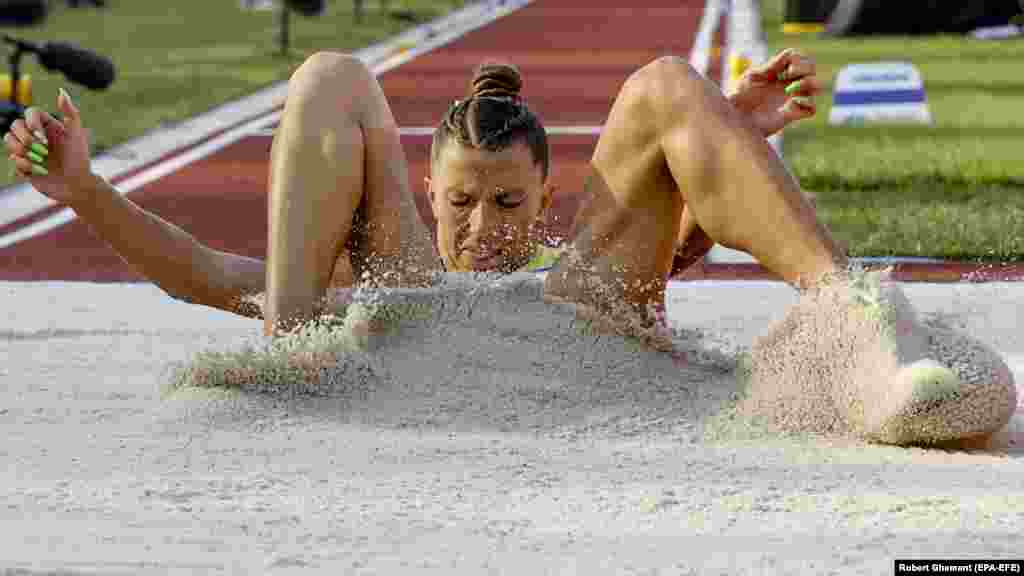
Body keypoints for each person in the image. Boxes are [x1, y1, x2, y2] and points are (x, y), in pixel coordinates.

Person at [3, 50, 1014, 447]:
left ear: (543, 200)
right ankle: (293, 344)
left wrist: (725, 131)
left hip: (587, 336)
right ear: (425, 195)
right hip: (406, 338)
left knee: (665, 82)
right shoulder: (388, 276)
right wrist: (86, 191)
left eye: (504, 205)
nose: (481, 231)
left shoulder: (573, 270)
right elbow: (208, 276)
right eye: (458, 203)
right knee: (327, 74)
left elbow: (677, 247)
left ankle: (861, 339)